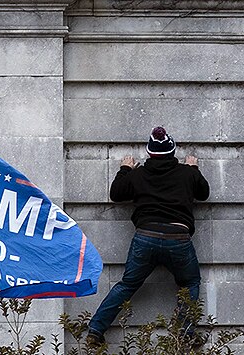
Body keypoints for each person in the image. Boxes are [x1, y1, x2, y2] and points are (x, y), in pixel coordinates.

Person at [86, 127, 210, 348]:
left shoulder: (138, 175)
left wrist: (125, 169)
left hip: (146, 237)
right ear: (172, 151)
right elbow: (204, 193)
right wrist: (193, 168)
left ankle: (96, 329)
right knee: (190, 282)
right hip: (178, 237)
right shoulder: (187, 173)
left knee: (127, 285)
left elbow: (116, 194)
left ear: (149, 153)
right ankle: (186, 333)